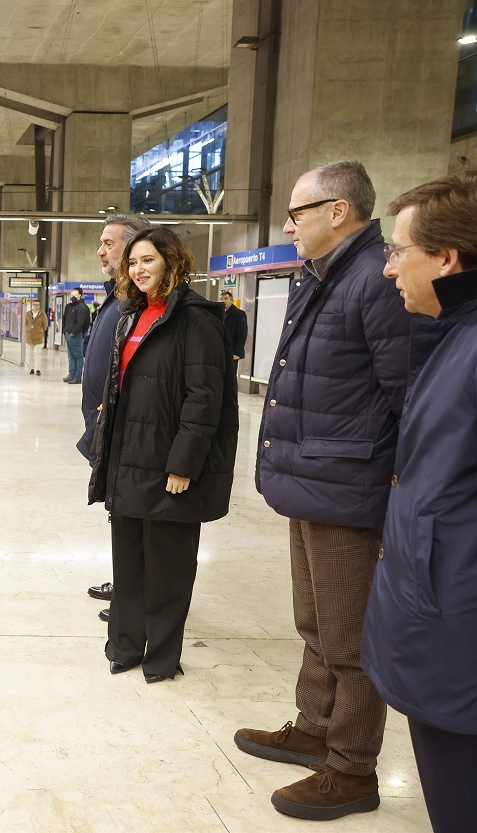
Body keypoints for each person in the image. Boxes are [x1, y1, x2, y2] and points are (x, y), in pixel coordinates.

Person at [235, 160, 412, 822]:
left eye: (297, 212)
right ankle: (314, 726)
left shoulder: (375, 280)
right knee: (316, 623)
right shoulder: (322, 276)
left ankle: (351, 766)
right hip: (313, 481)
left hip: (351, 486)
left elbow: (407, 395)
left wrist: (399, 489)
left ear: (339, 210)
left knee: (351, 636)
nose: (287, 224)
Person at [361, 172, 477, 833]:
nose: (387, 269)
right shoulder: (446, 334)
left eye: (398, 250)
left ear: (446, 258)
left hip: (458, 624)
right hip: (439, 617)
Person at [87, 225, 237, 683]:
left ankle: (162, 657)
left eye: (148, 260)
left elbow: (203, 401)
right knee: (128, 562)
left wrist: (183, 464)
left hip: (168, 459)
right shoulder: (133, 315)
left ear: (172, 262)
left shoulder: (197, 321)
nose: (138, 269)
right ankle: (126, 646)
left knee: (168, 567)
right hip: (127, 455)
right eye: (133, 262)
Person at [79, 215, 154, 620]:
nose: (100, 250)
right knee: (118, 509)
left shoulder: (138, 300)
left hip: (127, 429)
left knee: (131, 511)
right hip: (106, 426)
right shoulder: (117, 294)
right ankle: (125, 583)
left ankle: (135, 594)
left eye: (108, 243)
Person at [61, 289, 92, 384]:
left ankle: (78, 376)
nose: (73, 297)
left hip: (76, 335)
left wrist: (74, 333)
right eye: (72, 295)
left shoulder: (82, 307)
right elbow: (65, 319)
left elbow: (81, 322)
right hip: (68, 333)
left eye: (75, 295)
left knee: (78, 356)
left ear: (80, 296)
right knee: (71, 356)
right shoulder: (69, 307)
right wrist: (64, 330)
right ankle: (71, 374)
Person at [220, 290, 248, 372]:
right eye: (221, 299)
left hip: (232, 351)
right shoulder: (219, 314)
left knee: (231, 375)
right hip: (221, 350)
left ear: (231, 301)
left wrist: (237, 352)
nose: (223, 301)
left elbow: (242, 334)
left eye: (225, 299)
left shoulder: (239, 314)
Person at [23, 298, 47, 375]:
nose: (36, 306)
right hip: (29, 336)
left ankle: (37, 369)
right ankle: (31, 368)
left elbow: (45, 325)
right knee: (30, 353)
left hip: (38, 337)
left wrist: (40, 331)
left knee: (37, 353)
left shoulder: (42, 314)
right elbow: (26, 323)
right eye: (35, 305)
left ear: (39, 306)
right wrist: (29, 330)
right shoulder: (28, 314)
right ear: (32, 305)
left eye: (37, 305)